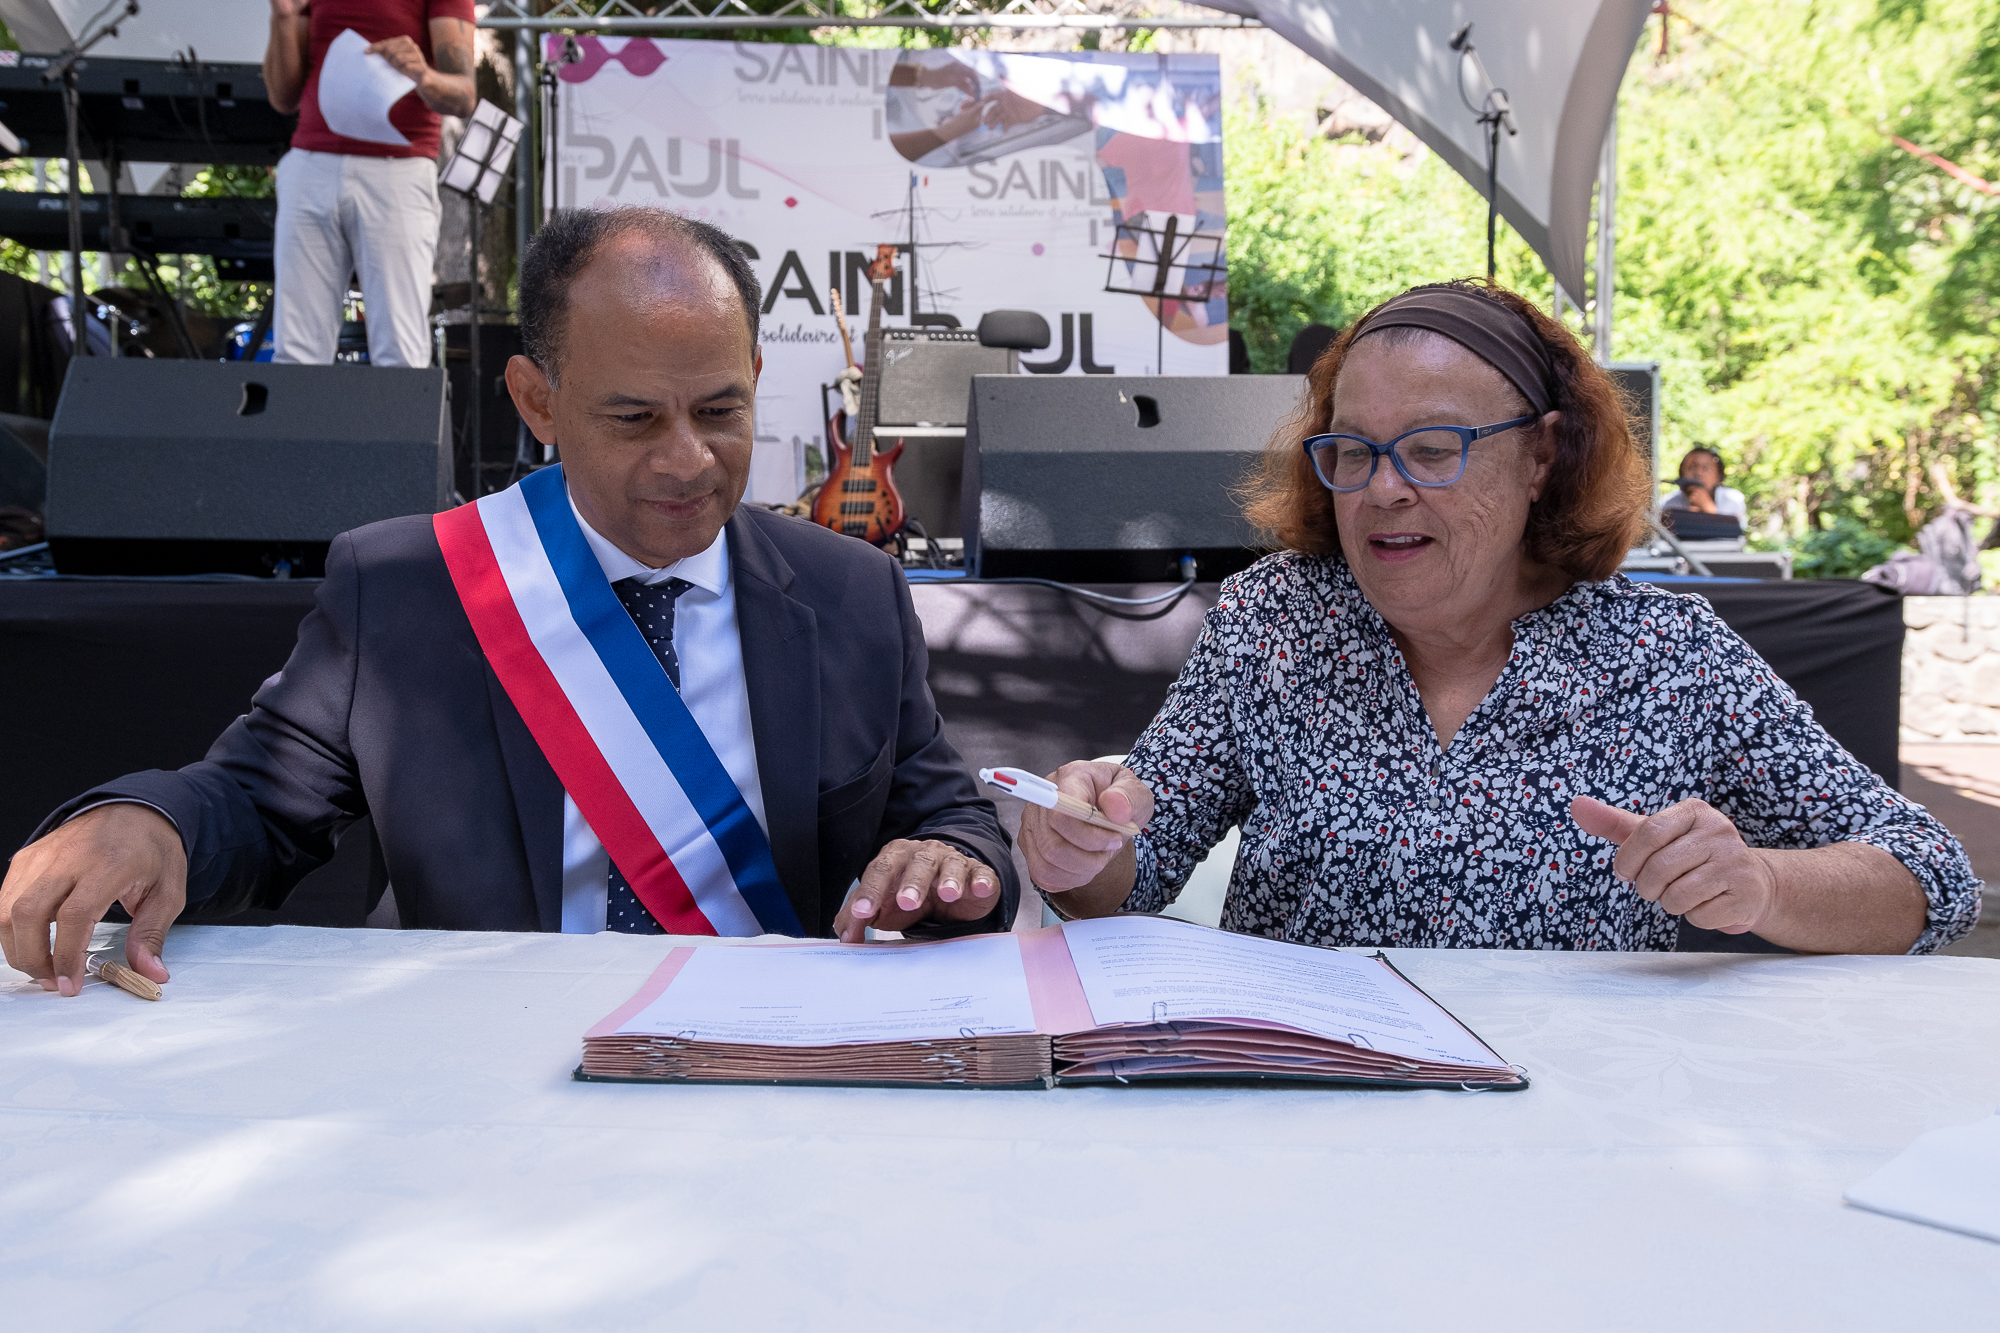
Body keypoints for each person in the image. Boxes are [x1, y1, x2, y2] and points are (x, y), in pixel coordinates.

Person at [2, 208, 1015, 997]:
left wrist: (952, 859)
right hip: (488, 1071)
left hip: (769, 1068)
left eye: (721, 410)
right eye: (632, 417)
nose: (686, 458)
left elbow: (950, 821)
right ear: (537, 401)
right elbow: (256, 805)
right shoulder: (407, 588)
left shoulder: (850, 593)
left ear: (756, 376)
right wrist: (147, 822)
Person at [1018, 280, 1981, 955]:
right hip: (1305, 1124)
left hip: (1571, 1133)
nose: (1382, 490)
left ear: (1542, 458)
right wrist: (1081, 846)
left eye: (1432, 449)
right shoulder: (1277, 621)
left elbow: (1929, 879)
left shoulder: (1665, 657)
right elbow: (1124, 880)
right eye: (1352, 452)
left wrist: (1763, 884)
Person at [262, 0, 477, 367]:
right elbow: (282, 98)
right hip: (310, 164)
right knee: (296, 354)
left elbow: (464, 96)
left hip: (398, 171)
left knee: (400, 352)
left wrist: (422, 74)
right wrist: (284, 19)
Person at [1660, 446, 1748, 521]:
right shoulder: (1669, 504)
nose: (1698, 473)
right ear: (1681, 473)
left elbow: (1736, 533)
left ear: (1718, 476)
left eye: (1706, 468)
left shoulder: (1732, 500)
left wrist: (1709, 509)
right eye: (1691, 467)